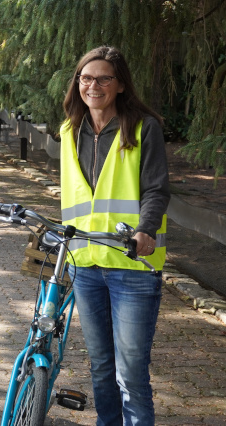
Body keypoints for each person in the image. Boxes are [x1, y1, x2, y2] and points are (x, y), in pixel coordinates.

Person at [60, 46, 169, 426]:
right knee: (102, 367)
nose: (94, 85)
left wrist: (146, 229)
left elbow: (156, 189)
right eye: (86, 78)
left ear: (120, 85)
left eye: (104, 78)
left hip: (131, 266)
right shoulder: (69, 129)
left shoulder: (143, 127)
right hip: (86, 265)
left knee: (131, 374)